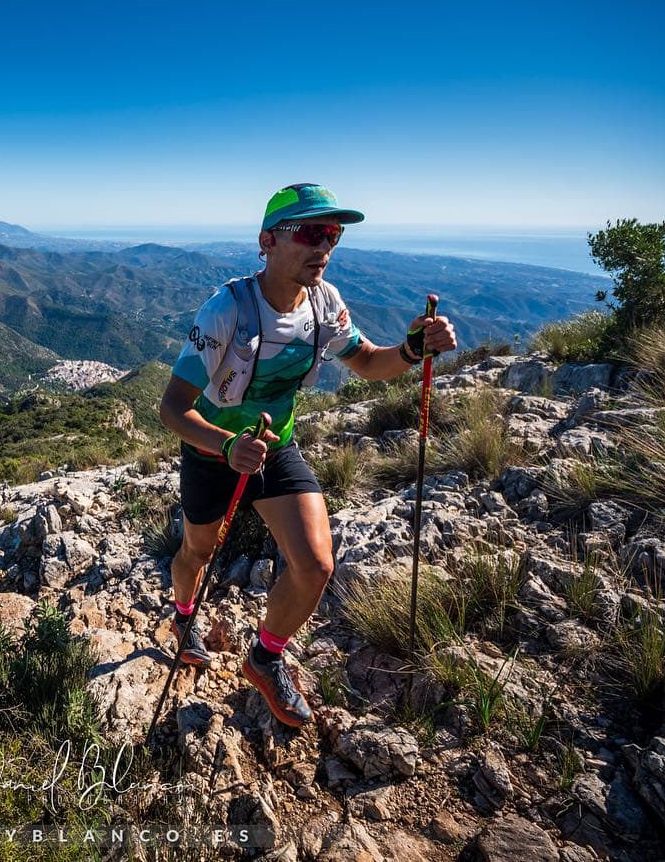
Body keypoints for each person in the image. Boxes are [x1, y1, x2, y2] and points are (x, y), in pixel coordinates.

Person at [158, 183, 458, 727]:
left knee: (317, 563)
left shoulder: (326, 304)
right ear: (267, 241)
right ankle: (183, 616)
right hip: (212, 452)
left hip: (275, 447)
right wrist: (227, 445)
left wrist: (413, 349)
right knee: (195, 555)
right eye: (311, 232)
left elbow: (367, 362)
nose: (324, 246)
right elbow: (173, 409)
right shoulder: (226, 310)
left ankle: (266, 655)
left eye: (333, 234)